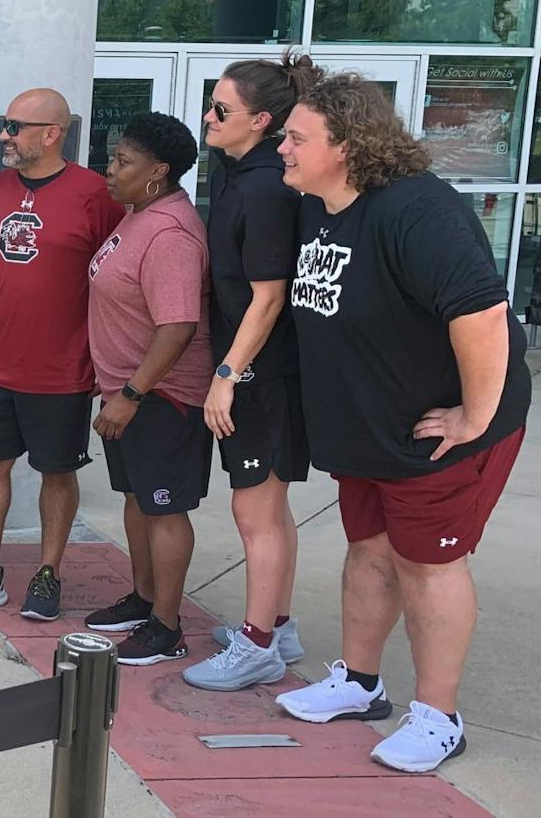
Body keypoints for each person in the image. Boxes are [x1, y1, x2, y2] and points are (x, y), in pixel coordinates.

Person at [274, 74, 528, 773]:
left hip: (436, 432)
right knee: (371, 549)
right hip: (370, 430)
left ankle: (438, 717)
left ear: (347, 146)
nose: (283, 146)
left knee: (429, 562)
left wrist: (475, 415)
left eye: (297, 137)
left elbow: (481, 315)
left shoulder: (418, 211)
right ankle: (358, 683)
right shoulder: (322, 206)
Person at [0, 89, 123, 618]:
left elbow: (118, 280)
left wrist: (106, 359)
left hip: (64, 368)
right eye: (5, 125)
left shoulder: (95, 194)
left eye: (16, 127)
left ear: (51, 133)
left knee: (56, 473)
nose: (4, 135)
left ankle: (48, 573)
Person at [181, 52, 320, 693]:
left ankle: (259, 644)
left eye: (221, 109)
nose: (208, 116)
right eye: (212, 103)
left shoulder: (264, 188)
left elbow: (269, 296)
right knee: (269, 508)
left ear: (261, 120)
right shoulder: (242, 173)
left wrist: (227, 375)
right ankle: (277, 626)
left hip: (263, 375)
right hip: (266, 370)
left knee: (254, 512)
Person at [83, 113, 214, 666]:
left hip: (161, 398)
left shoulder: (170, 234)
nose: (109, 171)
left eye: (122, 163)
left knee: (164, 509)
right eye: (112, 159)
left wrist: (131, 395)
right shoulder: (139, 215)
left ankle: (166, 625)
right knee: (137, 501)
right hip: (127, 392)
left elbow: (178, 326)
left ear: (157, 171)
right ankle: (143, 598)